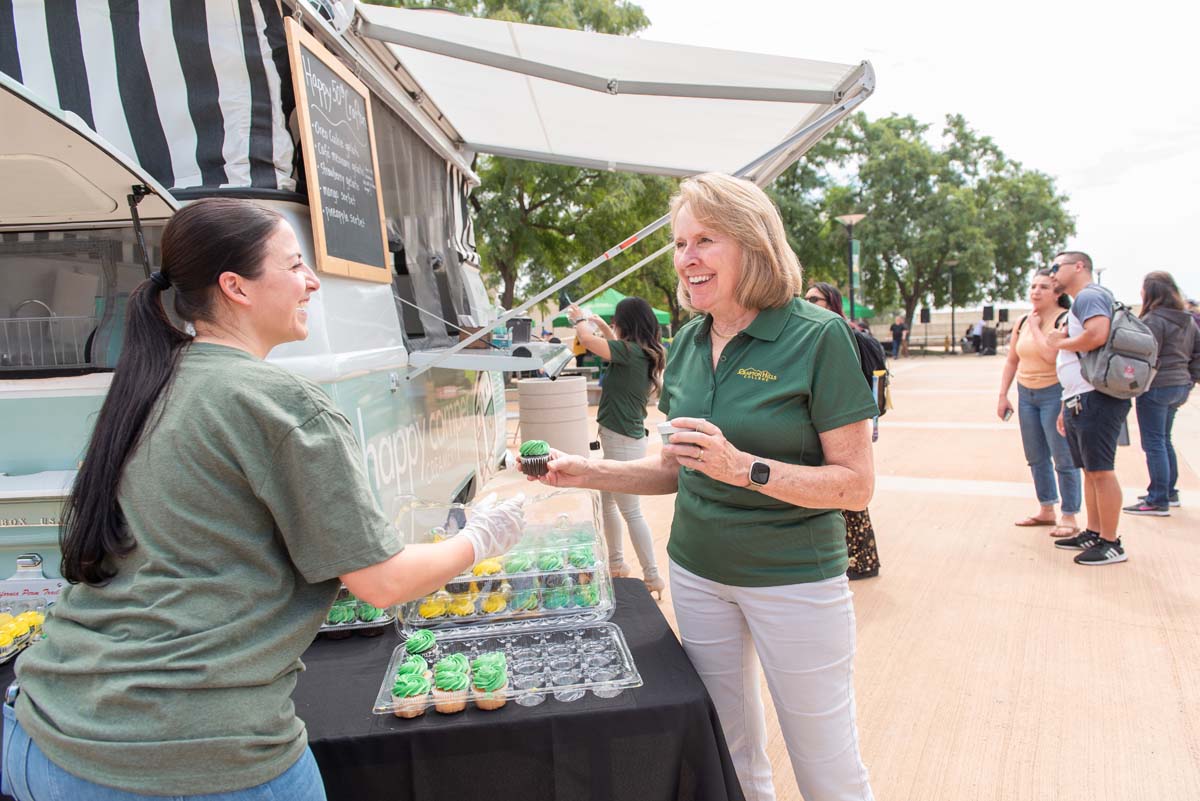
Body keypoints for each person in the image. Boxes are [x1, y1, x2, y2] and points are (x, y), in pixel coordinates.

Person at [3, 199, 525, 801]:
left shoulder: (151, 382)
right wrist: (479, 535)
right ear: (236, 287)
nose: (311, 284)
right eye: (295, 266)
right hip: (182, 755)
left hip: (44, 729)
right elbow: (382, 584)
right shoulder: (280, 402)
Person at [525, 174, 878, 801]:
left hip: (794, 580)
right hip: (697, 573)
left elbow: (854, 487)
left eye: (704, 240)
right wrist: (585, 471)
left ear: (753, 245)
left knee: (826, 763)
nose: (687, 258)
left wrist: (744, 467)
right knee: (727, 751)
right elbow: (676, 468)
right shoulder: (687, 342)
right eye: (680, 243)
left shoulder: (819, 337)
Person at [566, 297, 667, 598]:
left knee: (630, 511)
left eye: (615, 321)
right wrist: (600, 325)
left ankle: (652, 577)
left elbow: (585, 341)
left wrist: (579, 318)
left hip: (622, 442)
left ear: (626, 323)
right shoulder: (639, 353)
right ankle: (617, 564)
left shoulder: (630, 353)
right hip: (620, 438)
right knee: (608, 504)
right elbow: (612, 350)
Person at [1046, 251, 1130, 565]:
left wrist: (1059, 341)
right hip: (1079, 396)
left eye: (1057, 267)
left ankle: (1111, 542)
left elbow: (1097, 335)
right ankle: (1095, 532)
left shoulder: (1089, 296)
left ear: (1079, 267)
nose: (1052, 274)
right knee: (1091, 471)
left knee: (1101, 471)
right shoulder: (1082, 301)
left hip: (1096, 396)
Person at [805, 282, 883, 579]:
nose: (808, 302)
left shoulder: (841, 335)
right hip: (820, 422)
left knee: (848, 495)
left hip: (842, 423)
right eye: (806, 298)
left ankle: (861, 560)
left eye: (815, 298)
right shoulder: (815, 333)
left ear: (831, 302)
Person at [997, 270, 1081, 537]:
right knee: (1036, 456)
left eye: (1043, 287)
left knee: (1063, 456)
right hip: (1026, 394)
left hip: (1054, 393)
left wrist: (1035, 327)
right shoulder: (1021, 321)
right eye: (1033, 286)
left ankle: (1069, 514)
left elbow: (1049, 356)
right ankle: (1046, 508)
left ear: (1057, 294)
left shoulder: (1063, 320)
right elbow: (1012, 359)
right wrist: (1003, 394)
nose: (1035, 291)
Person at [1123, 271, 1200, 515]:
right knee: (1164, 440)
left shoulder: (1153, 320)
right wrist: (1191, 380)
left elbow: (1144, 355)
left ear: (1150, 293)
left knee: (1154, 442)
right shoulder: (1187, 319)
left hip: (1156, 386)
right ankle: (1168, 492)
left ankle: (1158, 500)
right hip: (1179, 385)